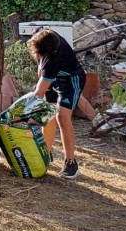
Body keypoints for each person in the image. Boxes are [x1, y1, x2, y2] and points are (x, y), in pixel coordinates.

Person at [28, 28, 85, 180]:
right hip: (53, 78)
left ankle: (70, 162)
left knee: (63, 118)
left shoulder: (54, 60)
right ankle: (45, 153)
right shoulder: (42, 34)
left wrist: (25, 113)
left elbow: (38, 93)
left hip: (71, 80)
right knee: (48, 115)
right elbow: (42, 73)